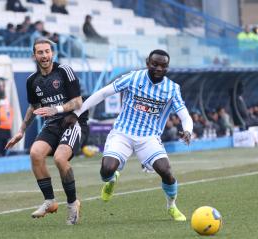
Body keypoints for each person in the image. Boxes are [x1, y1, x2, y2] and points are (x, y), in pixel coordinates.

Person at [67, 49, 193, 222]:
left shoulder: (172, 89)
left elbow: (184, 115)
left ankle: (171, 206)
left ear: (167, 68)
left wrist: (188, 130)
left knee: (166, 171)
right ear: (148, 62)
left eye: (163, 65)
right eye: (155, 64)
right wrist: (79, 112)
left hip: (148, 138)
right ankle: (112, 179)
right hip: (123, 133)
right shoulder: (133, 78)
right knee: (106, 170)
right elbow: (103, 93)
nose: (158, 68)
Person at [5, 37, 87, 225]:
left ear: (53, 53)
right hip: (51, 124)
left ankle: (73, 203)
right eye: (40, 52)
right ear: (34, 55)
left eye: (47, 51)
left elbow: (78, 102)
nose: (44, 55)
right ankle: (50, 201)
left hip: (71, 121)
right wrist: (21, 131)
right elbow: (33, 107)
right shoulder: (32, 81)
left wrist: (56, 109)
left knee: (60, 158)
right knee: (35, 154)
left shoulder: (64, 71)